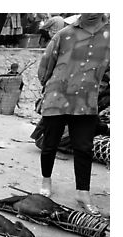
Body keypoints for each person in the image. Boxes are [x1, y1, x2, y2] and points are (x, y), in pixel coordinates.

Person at [37, 13, 109, 216]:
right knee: (50, 143)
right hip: (57, 97)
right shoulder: (64, 34)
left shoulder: (111, 35)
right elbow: (46, 64)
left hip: (86, 102)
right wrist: (47, 86)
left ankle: (83, 193)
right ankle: (46, 180)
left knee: (84, 148)